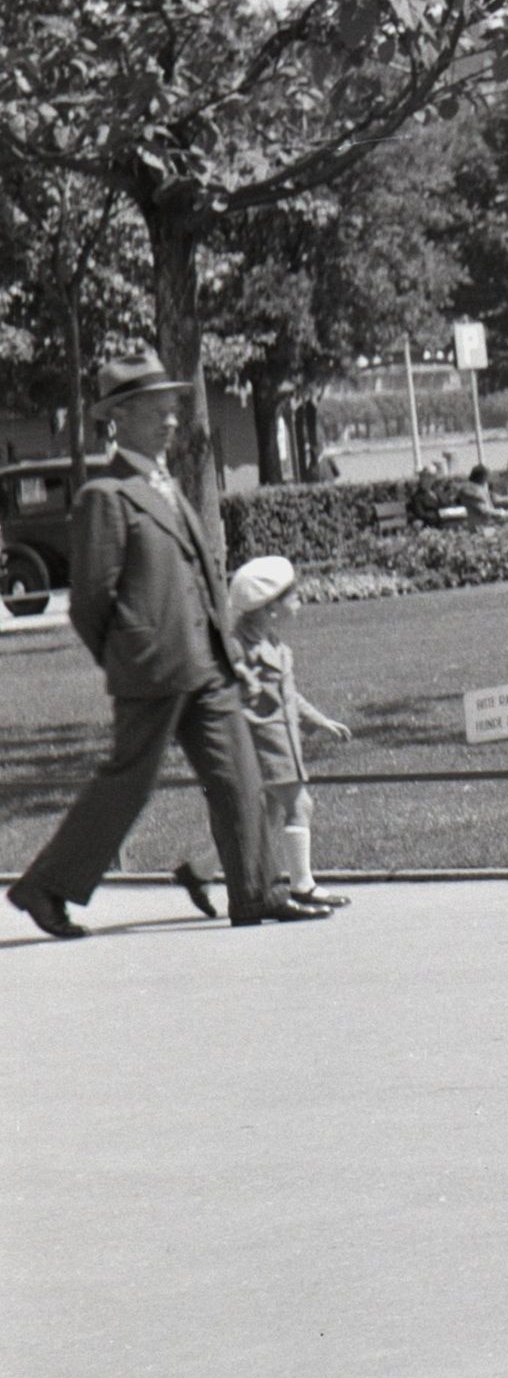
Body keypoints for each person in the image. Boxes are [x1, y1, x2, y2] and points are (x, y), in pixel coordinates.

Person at [8, 351, 325, 939]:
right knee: (128, 783)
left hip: (209, 665)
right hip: (152, 670)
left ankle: (257, 893)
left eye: (173, 408)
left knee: (240, 777)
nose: (172, 419)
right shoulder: (105, 494)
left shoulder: (167, 483)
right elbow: (89, 602)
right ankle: (44, 888)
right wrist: (128, 657)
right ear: (120, 417)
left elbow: (198, 575)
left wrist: (220, 647)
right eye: (157, 410)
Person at [195, 554, 354, 915]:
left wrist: (317, 720)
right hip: (260, 744)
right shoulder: (238, 647)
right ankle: (303, 885)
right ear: (269, 607)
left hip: (282, 742)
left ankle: (198, 871)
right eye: (291, 597)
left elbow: (289, 695)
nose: (299, 603)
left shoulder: (274, 644)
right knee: (300, 805)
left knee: (262, 819)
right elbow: (221, 691)